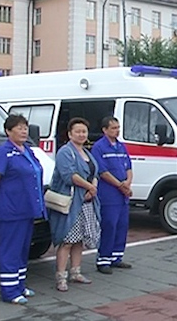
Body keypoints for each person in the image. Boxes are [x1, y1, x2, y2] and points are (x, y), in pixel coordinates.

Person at [0, 114, 45, 305]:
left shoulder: (27, 150)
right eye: (18, 128)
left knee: (22, 249)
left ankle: (19, 285)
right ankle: (10, 291)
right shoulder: (3, 152)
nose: (23, 131)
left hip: (27, 209)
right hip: (11, 210)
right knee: (10, 250)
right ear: (8, 131)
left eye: (25, 127)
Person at [48, 117, 101, 292]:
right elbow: (68, 175)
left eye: (84, 131)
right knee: (67, 240)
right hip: (71, 203)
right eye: (77, 131)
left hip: (86, 203)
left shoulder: (87, 152)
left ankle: (76, 272)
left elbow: (95, 172)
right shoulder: (65, 152)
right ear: (70, 134)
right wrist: (89, 187)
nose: (81, 134)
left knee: (79, 240)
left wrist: (92, 187)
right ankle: (61, 277)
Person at [91, 116, 133, 274]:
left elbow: (128, 167)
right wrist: (120, 185)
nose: (117, 130)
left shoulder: (121, 147)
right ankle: (104, 259)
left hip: (123, 195)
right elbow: (102, 171)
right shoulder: (99, 147)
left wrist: (127, 183)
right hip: (109, 194)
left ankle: (117, 257)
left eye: (118, 127)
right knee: (109, 224)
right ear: (105, 130)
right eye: (114, 128)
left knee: (122, 225)